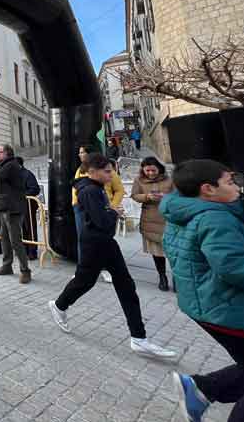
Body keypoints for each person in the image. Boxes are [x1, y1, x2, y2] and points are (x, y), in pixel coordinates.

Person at [160, 160, 244, 421]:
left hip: (209, 304)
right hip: (229, 309)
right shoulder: (214, 216)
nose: (236, 187)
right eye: (230, 182)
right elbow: (235, 269)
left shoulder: (185, 208)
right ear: (207, 189)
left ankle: (203, 388)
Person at [48, 153, 176, 359]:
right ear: (92, 171)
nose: (112, 174)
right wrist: (114, 212)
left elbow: (102, 218)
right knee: (85, 281)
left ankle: (138, 337)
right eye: (107, 171)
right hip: (95, 243)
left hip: (104, 243)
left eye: (112, 170)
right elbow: (102, 221)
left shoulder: (94, 188)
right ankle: (59, 305)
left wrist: (111, 211)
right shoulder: (89, 190)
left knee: (124, 285)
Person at [73, 144, 124, 283]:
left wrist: (112, 207)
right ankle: (82, 270)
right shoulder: (80, 169)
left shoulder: (106, 169)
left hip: (103, 207)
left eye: (82, 152)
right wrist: (75, 203)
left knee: (104, 238)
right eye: (79, 152)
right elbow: (76, 187)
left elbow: (119, 189)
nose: (80, 155)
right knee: (84, 239)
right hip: (81, 208)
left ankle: (105, 269)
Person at [0, 144, 31, 283]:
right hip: (5, 208)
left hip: (13, 209)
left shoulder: (11, 165)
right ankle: (7, 265)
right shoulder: (4, 165)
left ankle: (25, 270)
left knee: (15, 240)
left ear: (7, 153)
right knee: (4, 237)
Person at [130, 157, 174, 291]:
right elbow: (134, 195)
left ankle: (177, 278)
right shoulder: (139, 180)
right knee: (157, 252)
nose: (150, 173)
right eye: (147, 170)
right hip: (150, 218)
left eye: (153, 170)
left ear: (159, 168)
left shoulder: (169, 179)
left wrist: (165, 197)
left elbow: (178, 195)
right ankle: (162, 277)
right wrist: (147, 197)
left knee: (173, 251)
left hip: (169, 218)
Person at [16, 157, 41, 260]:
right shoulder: (15, 175)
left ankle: (32, 251)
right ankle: (25, 249)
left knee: (30, 228)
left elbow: (35, 189)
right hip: (18, 206)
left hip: (28, 205)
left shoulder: (27, 174)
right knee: (23, 229)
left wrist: (23, 195)